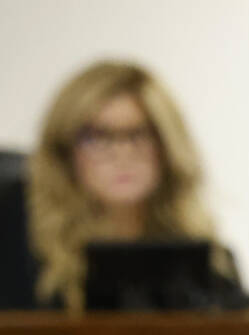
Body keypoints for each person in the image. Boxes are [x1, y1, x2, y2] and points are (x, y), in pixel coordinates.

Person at [26, 60, 237, 312]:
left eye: (140, 134)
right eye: (98, 137)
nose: (123, 154)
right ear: (64, 153)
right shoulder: (25, 255)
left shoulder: (209, 261)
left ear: (169, 146)